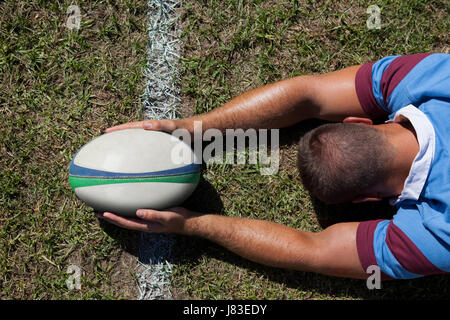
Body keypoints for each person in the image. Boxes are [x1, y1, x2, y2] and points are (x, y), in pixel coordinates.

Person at [98, 53, 450, 281]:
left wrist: (194, 223)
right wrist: (189, 133)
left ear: (359, 120)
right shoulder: (436, 79)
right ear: (360, 122)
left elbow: (309, 95)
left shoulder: (434, 237)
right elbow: (313, 250)